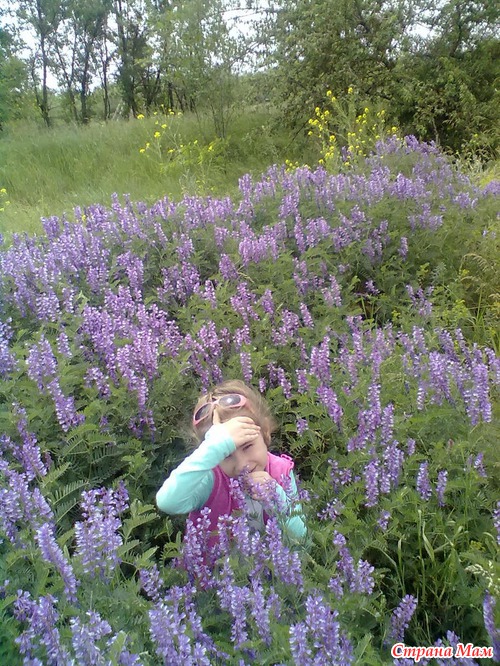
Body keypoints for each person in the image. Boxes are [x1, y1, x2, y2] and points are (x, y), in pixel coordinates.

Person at [156, 380, 306, 548]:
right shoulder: (211, 479)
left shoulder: (280, 471)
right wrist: (215, 445)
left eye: (247, 446)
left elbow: (302, 542)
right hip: (215, 565)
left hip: (270, 564)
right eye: (226, 455)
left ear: (265, 433)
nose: (242, 465)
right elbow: (168, 502)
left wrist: (277, 497)